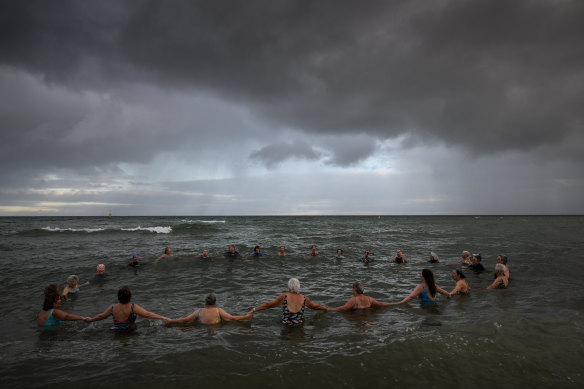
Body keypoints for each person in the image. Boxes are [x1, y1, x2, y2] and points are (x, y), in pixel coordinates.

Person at [88, 286, 169, 333]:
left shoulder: (113, 307)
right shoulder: (132, 307)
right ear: (130, 297)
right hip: (129, 329)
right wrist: (163, 317)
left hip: (115, 330)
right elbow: (147, 314)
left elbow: (101, 316)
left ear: (118, 297)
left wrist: (91, 320)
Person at [253, 278, 328, 326]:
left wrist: (254, 310)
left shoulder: (284, 297)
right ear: (298, 287)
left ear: (288, 287)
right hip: (299, 325)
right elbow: (315, 307)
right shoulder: (304, 298)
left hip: (286, 325)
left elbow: (268, 305)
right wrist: (326, 309)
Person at [164, 294, 254, 325]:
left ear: (205, 302)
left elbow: (185, 320)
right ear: (215, 302)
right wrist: (246, 316)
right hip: (215, 328)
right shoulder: (219, 311)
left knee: (188, 327)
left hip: (201, 330)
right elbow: (232, 318)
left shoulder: (198, 311)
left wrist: (170, 320)